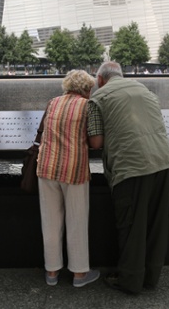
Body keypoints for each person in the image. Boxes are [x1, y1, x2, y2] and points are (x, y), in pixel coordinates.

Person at [87, 61, 169, 294]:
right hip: (164, 161)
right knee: (157, 222)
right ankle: (151, 277)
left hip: (132, 167)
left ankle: (130, 280)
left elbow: (96, 141)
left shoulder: (98, 98)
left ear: (100, 80)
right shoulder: (144, 90)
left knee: (131, 225)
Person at [36, 69, 100, 288]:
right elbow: (95, 143)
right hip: (74, 170)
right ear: (87, 88)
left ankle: (52, 272)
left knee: (50, 222)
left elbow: (43, 130)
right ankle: (79, 274)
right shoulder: (88, 106)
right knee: (77, 221)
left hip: (46, 167)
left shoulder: (53, 102)